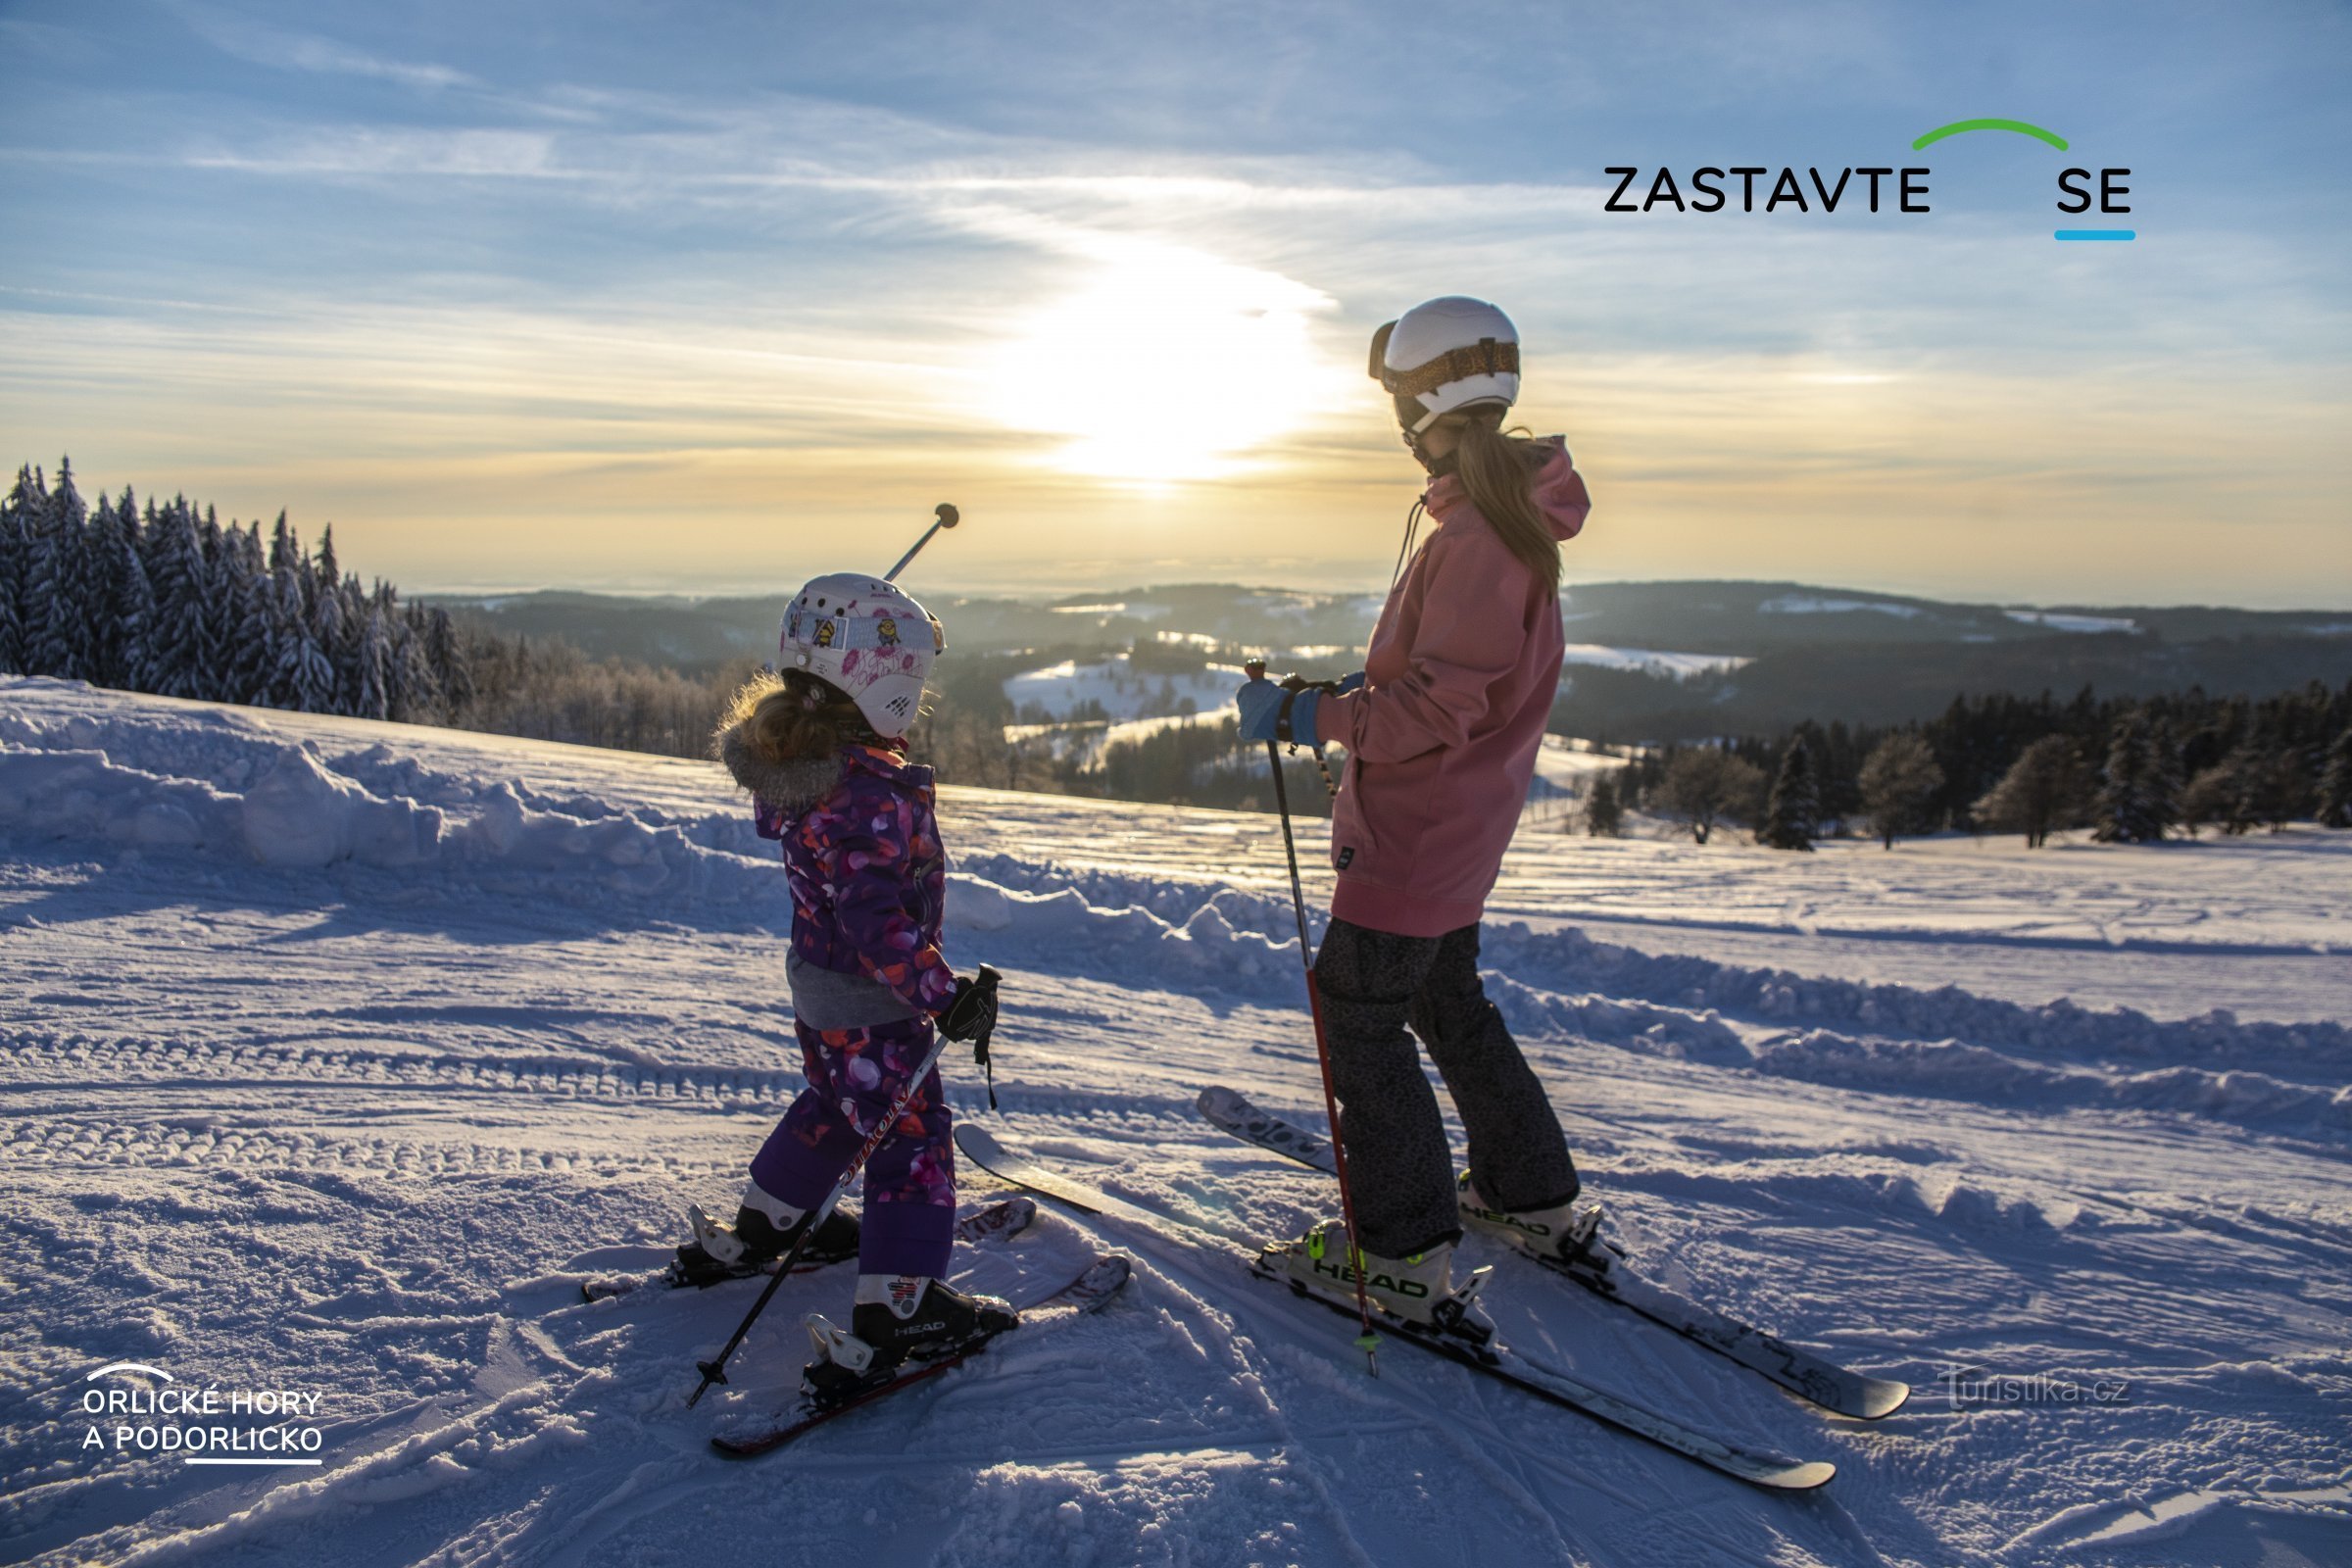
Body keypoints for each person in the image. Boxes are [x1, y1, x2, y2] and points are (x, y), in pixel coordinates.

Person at [1236, 296, 1594, 1332]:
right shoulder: (1498, 520)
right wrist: (1349, 688)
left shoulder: (1481, 535)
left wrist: (1313, 712)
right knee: (1446, 1003)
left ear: (1426, 398)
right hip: (1456, 830)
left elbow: (1437, 711)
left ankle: (1399, 1254)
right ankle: (1531, 1194)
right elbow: (1453, 678)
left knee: (1357, 1020)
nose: (1395, 421)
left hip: (1416, 836)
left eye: (1398, 397)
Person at [687, 571, 1011, 1384]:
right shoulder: (865, 792)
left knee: (839, 1102)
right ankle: (900, 1306)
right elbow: (878, 925)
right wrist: (945, 995)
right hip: (873, 999)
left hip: (821, 988)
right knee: (911, 1137)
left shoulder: (816, 768)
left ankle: (769, 1219)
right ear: (885, 683)